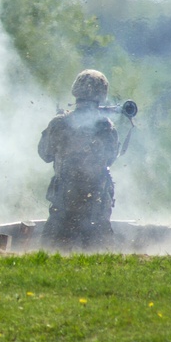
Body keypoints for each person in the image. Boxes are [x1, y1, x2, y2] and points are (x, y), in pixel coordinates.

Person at [38, 69, 119, 252]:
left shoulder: (59, 123)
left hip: (63, 206)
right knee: (103, 261)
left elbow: (44, 154)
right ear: (102, 94)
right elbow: (111, 158)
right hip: (95, 209)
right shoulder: (107, 127)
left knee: (50, 256)